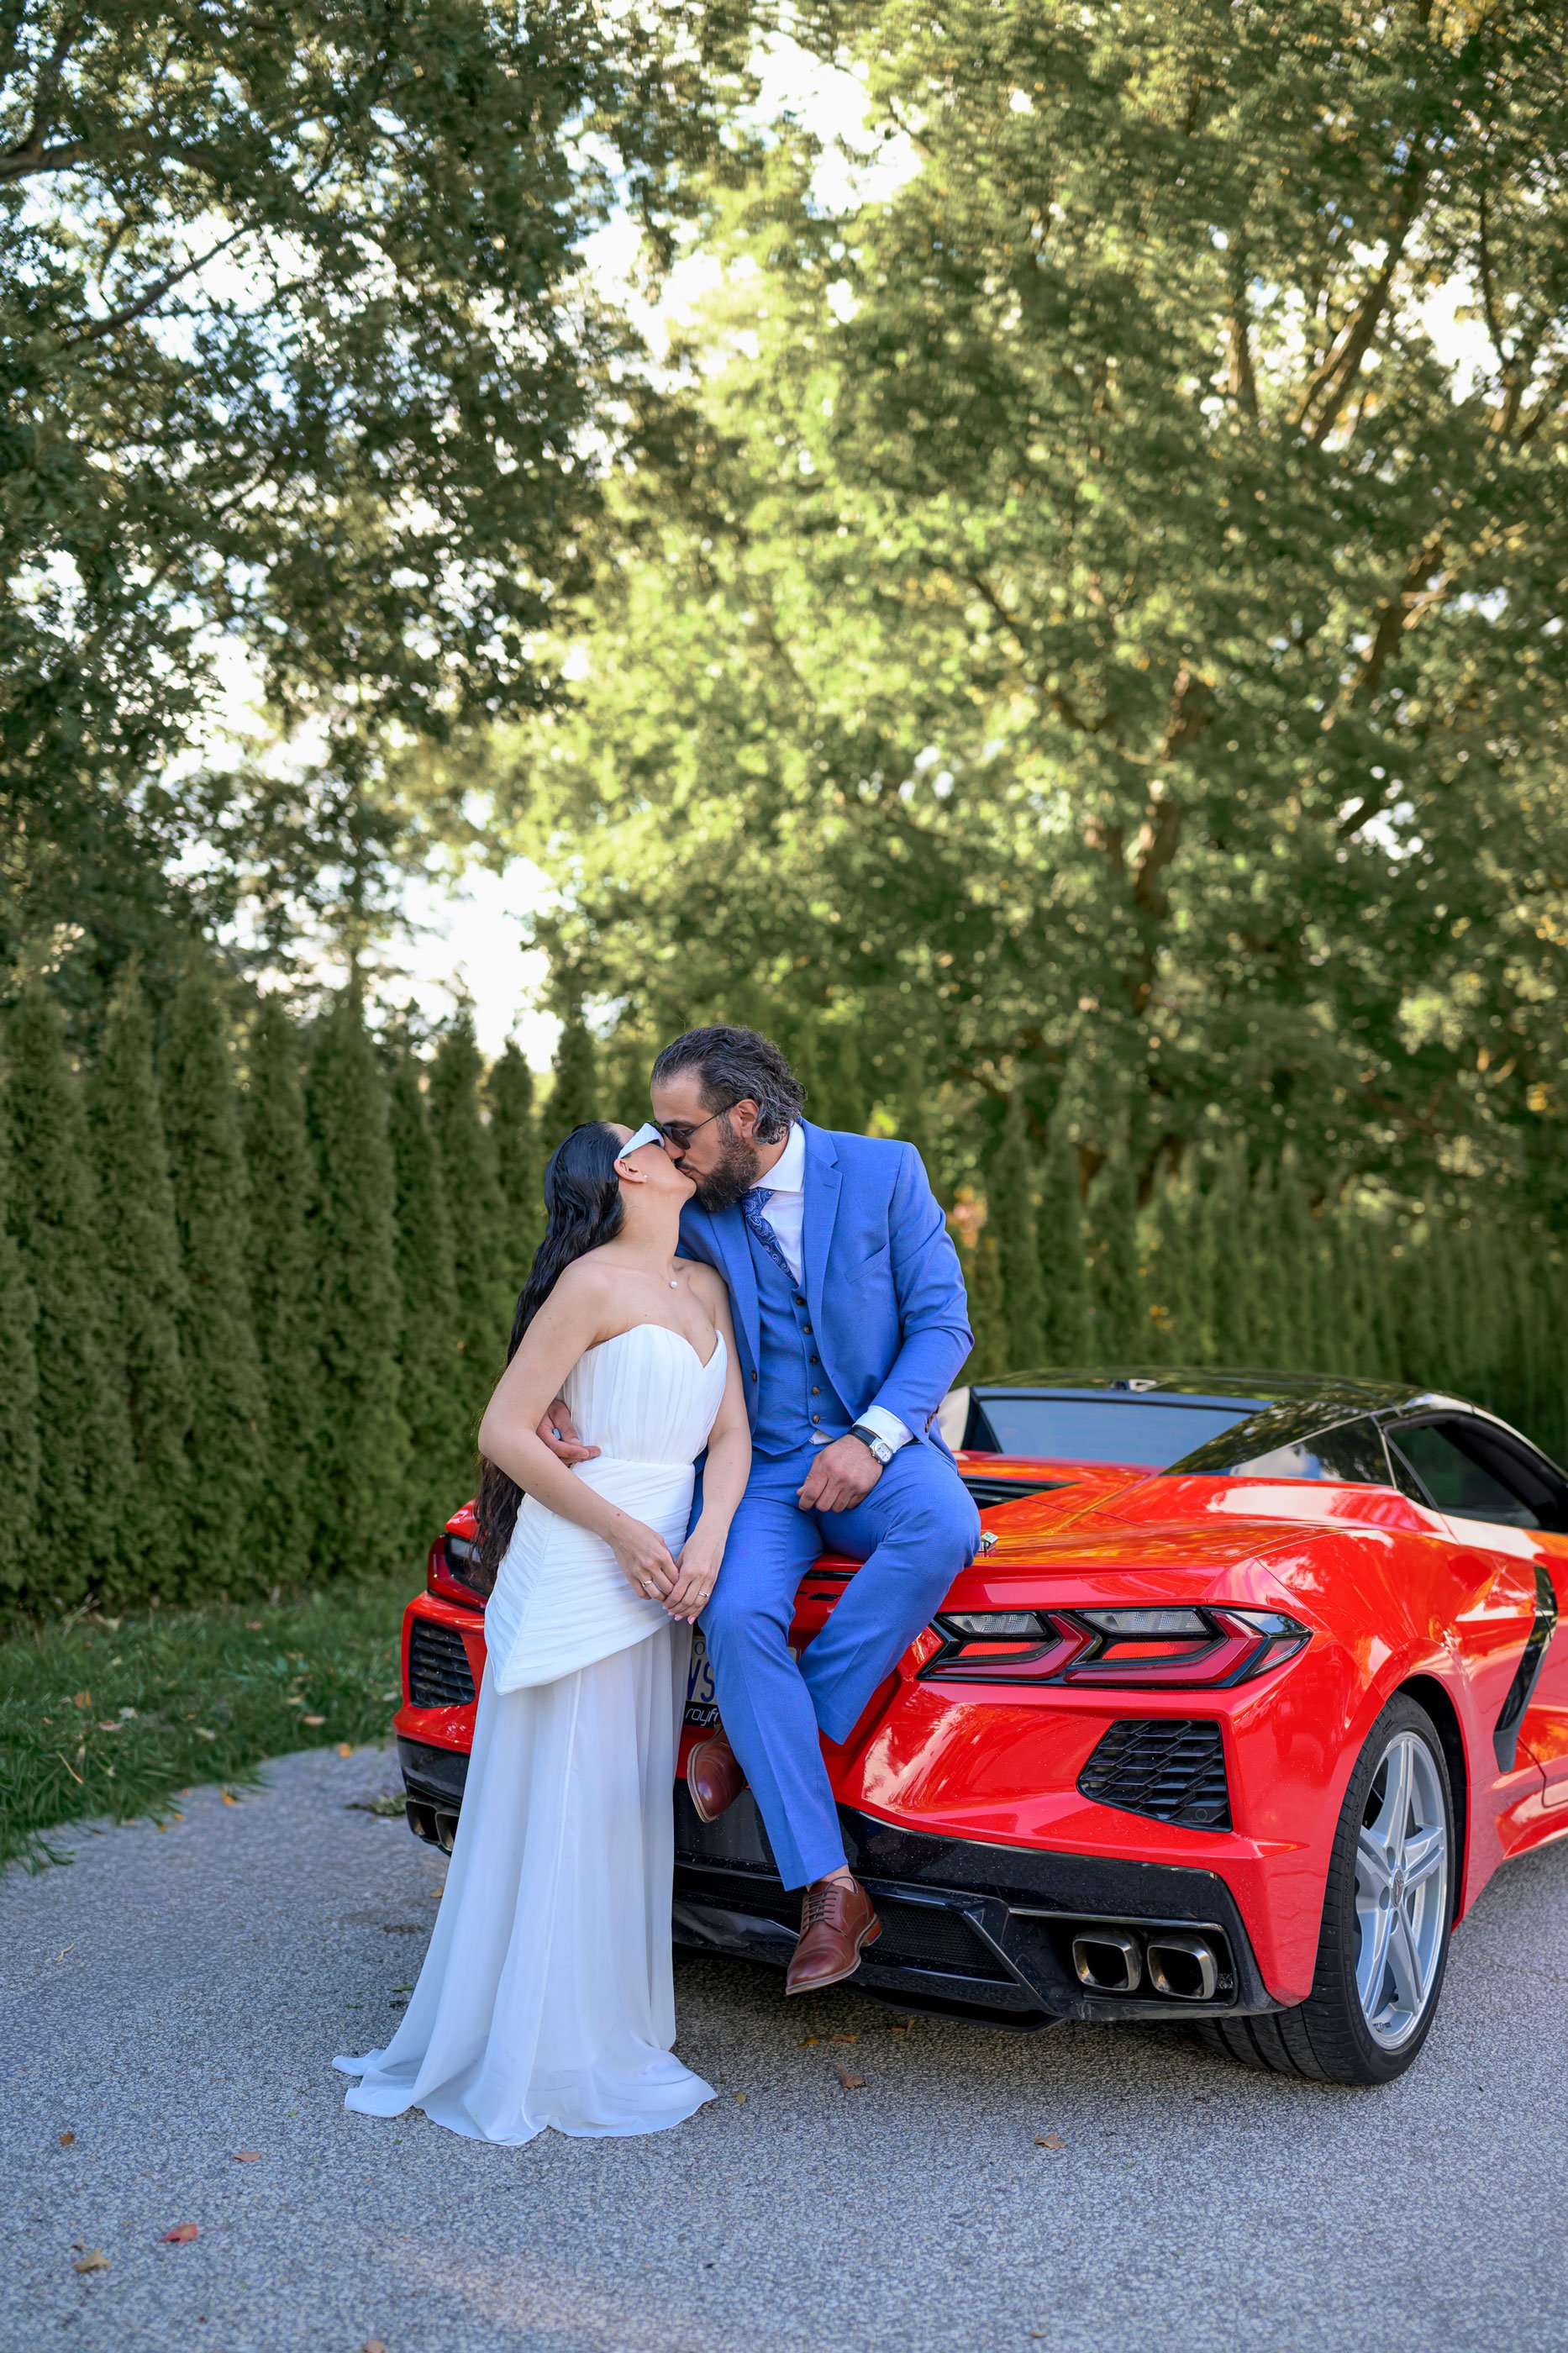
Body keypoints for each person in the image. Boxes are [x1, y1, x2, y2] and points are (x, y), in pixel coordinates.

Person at [334, 1119, 750, 2144]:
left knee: (619, 1798)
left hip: (668, 1571)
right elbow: (504, 1430)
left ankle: (606, 2024)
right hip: (586, 1557)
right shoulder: (592, 1286)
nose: (675, 1141)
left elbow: (733, 1433)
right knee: (564, 1788)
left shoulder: (704, 1284)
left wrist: (707, 1537)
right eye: (657, 1134)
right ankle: (537, 2046)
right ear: (631, 1169)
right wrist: (618, 1534)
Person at [539, 1028, 979, 1997]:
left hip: (880, 1449)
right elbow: (600, 1265)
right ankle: (830, 1887)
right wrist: (563, 1385)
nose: (669, 1148)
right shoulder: (699, 1201)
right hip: (761, 1469)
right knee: (735, 1619)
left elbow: (945, 1324)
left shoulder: (885, 1172)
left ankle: (752, 1734)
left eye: (679, 1127)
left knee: (945, 1529)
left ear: (748, 1115)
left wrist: (871, 1439)